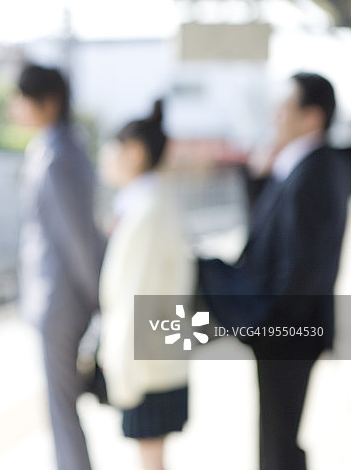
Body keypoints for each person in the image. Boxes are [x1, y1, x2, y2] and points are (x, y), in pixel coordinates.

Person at [199, 72, 351, 470]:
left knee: (279, 441)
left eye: (284, 108)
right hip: (291, 328)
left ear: (312, 117)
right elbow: (272, 238)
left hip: (290, 330)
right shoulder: (306, 165)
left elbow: (301, 265)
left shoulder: (315, 171)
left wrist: (271, 323)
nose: (275, 116)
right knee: (279, 436)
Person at [10, 63, 104, 470]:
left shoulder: (61, 154)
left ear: (49, 104)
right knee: (59, 406)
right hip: (55, 294)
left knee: (61, 407)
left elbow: (78, 237)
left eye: (23, 99)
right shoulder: (51, 147)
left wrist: (100, 298)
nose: (15, 108)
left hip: (62, 298)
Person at [97, 100, 194, 470]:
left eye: (111, 148)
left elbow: (135, 297)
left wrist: (123, 370)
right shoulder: (148, 202)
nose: (105, 158)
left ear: (134, 152)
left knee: (150, 459)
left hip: (147, 362)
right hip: (154, 357)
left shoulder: (146, 209)